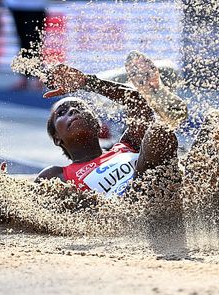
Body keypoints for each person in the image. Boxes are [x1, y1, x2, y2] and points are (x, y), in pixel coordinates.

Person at [36, 51, 187, 198]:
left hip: (166, 191)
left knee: (174, 131)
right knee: (158, 131)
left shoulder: (128, 144)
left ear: (98, 125)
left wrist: (88, 82)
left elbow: (138, 103)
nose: (73, 110)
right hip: (128, 212)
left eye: (81, 108)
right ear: (57, 138)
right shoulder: (57, 176)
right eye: (62, 113)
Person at [0, 0, 50, 90]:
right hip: (17, 6)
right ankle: (24, 77)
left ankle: (38, 77)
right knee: (23, 43)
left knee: (36, 42)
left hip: (36, 7)